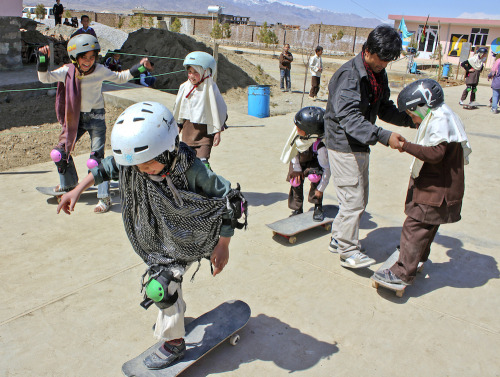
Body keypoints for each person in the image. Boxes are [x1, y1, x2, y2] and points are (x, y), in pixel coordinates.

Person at [56, 102, 247, 370]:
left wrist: (223, 244)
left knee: (160, 288)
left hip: (191, 236)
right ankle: (173, 313)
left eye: (149, 164)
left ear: (168, 149)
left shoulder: (192, 168)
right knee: (167, 288)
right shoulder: (134, 163)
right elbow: (105, 168)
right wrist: (76, 190)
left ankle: (174, 344)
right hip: (161, 238)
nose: (142, 170)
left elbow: (230, 199)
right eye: (138, 165)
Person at [324, 25, 416, 269]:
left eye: (388, 61)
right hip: (343, 144)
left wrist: (409, 120)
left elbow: (383, 107)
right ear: (368, 51)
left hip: (361, 142)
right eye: (381, 59)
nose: (384, 65)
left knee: (358, 197)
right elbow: (349, 118)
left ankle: (338, 238)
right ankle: (347, 250)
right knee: (353, 199)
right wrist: (384, 137)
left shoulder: (377, 73)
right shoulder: (349, 76)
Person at [37, 34, 152, 213]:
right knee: (58, 154)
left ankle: (104, 197)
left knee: (94, 161)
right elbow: (45, 78)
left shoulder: (99, 70)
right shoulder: (67, 71)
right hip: (75, 118)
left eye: (92, 57)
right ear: (75, 57)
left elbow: (120, 77)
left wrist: (140, 68)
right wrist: (43, 60)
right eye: (84, 57)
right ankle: (68, 185)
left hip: (96, 119)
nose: (88, 61)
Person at [373, 79, 471, 287]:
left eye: (411, 113)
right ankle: (417, 259)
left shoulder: (441, 120)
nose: (412, 118)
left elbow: (435, 154)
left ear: (423, 104)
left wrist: (405, 146)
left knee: (414, 226)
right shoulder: (443, 116)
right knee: (426, 227)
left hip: (436, 192)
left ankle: (402, 272)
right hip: (438, 189)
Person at [173, 51, 227, 170]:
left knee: (203, 164)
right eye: (189, 72)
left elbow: (219, 111)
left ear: (205, 72)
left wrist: (217, 131)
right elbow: (179, 109)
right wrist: (178, 125)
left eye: (195, 72)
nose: (191, 76)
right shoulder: (184, 87)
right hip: (188, 132)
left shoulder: (211, 89)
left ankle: (208, 184)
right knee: (187, 163)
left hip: (205, 134)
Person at [281, 106, 330, 221]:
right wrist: (296, 169)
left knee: (315, 177)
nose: (296, 128)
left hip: (314, 163)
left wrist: (320, 189)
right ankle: (297, 209)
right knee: (295, 181)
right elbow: (293, 153)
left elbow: (327, 169)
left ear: (310, 132)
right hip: (299, 162)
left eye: (299, 127)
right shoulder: (297, 137)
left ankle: (317, 206)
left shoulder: (319, 146)